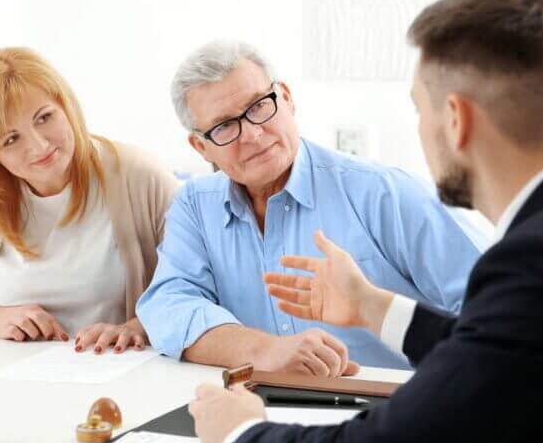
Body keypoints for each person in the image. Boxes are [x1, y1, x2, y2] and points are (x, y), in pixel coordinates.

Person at [188, 0, 543, 443]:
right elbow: (504, 349)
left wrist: (240, 433)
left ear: (455, 119)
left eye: (418, 107)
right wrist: (374, 308)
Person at [136, 40, 486, 372]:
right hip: (265, 411)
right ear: (201, 147)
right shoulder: (195, 205)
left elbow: (502, 309)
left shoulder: (383, 192)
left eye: (259, 106)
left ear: (286, 98)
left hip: (396, 413)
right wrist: (264, 350)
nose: (253, 135)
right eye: (225, 126)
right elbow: (168, 305)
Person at [0, 47, 179, 354]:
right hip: (14, 384)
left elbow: (204, 286)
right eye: (11, 139)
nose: (39, 146)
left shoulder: (139, 176)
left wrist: (136, 328)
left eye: (44, 117)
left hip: (122, 382)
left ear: (65, 106)